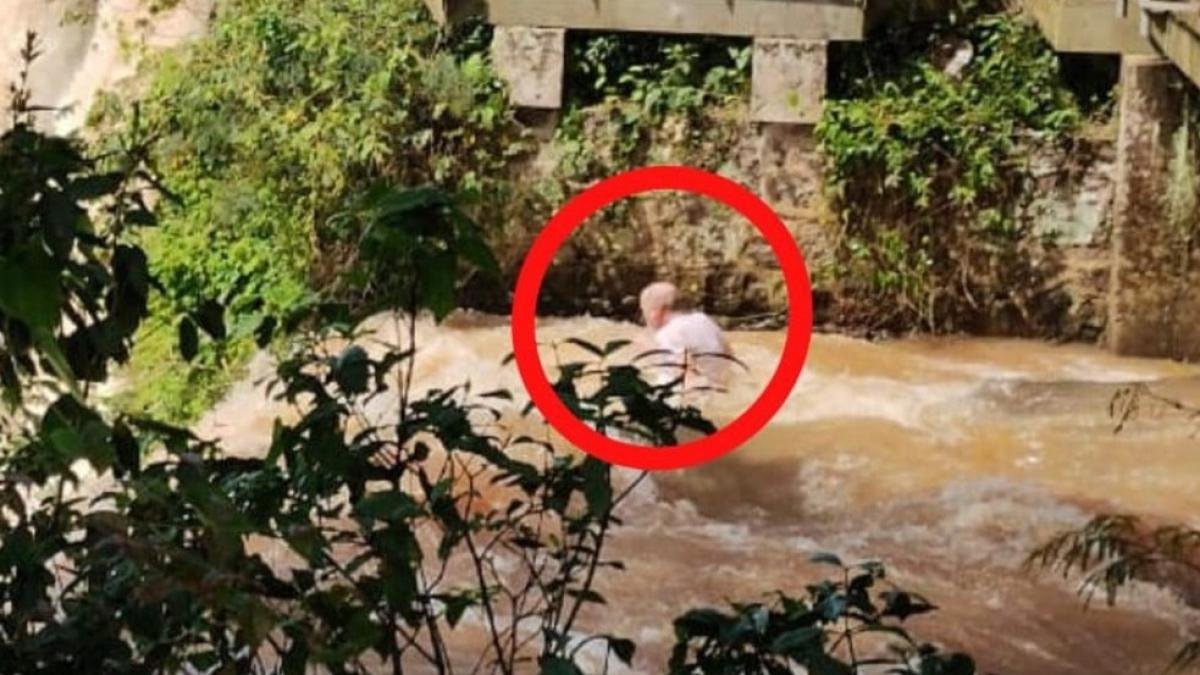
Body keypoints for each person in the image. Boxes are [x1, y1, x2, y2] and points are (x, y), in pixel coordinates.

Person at [637, 281, 732, 390]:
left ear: (657, 312)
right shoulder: (703, 319)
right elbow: (728, 354)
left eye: (644, 311)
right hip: (718, 381)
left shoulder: (668, 333)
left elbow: (687, 376)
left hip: (699, 392)